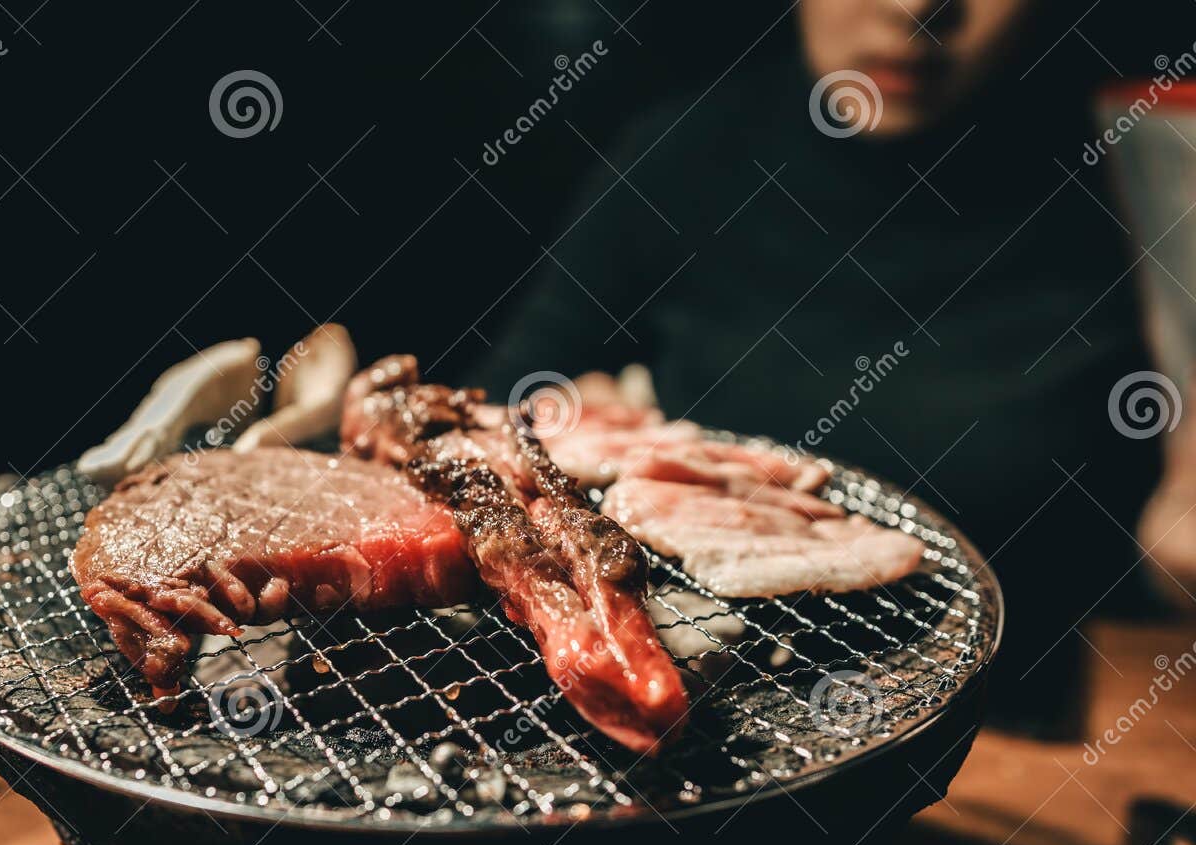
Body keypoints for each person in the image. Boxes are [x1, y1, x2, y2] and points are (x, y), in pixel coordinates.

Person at [470, 0, 1195, 734]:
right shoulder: (686, 154)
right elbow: (513, 395)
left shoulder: (1144, 172)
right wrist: (576, 424)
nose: (918, 8)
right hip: (714, 725)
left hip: (1030, 743)